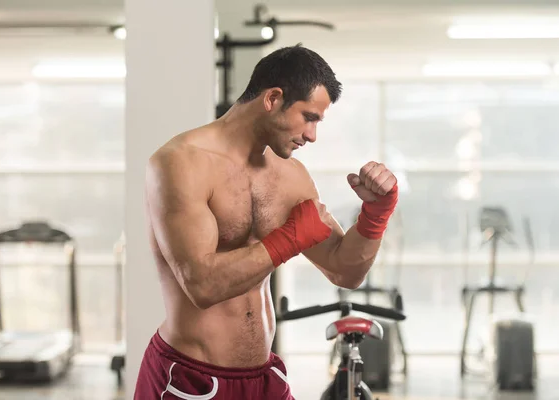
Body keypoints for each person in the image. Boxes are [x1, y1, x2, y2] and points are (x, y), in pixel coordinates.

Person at [135, 44, 399, 400]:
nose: (312, 135)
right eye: (309, 117)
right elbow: (202, 286)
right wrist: (286, 240)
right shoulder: (180, 163)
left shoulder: (290, 177)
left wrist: (375, 215)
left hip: (263, 379)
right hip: (188, 379)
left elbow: (345, 271)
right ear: (273, 98)